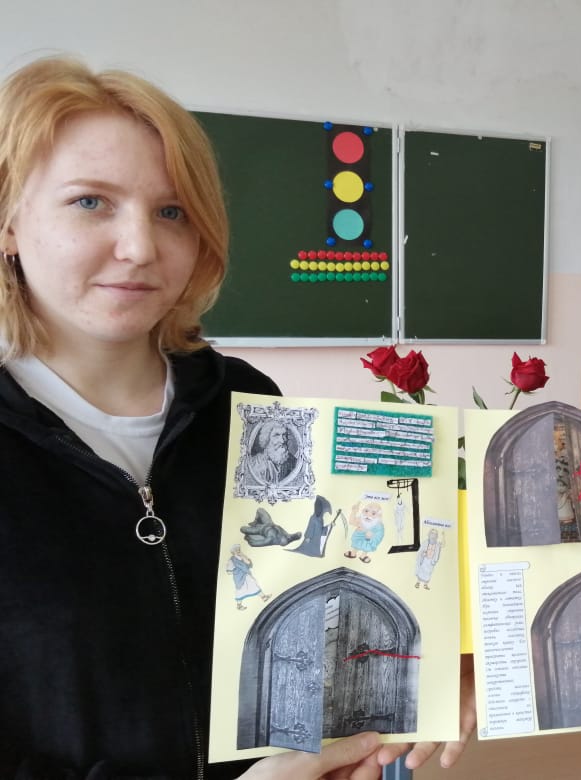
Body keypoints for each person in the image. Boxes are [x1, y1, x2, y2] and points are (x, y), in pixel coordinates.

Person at [0, 55, 474, 779]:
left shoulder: (247, 403)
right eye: (90, 201)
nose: (140, 247)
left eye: (172, 212)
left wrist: (441, 669)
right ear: (9, 220)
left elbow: (322, 604)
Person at [246, 419, 298, 484]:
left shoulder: (293, 462)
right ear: (267, 439)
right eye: (276, 435)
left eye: (284, 435)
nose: (282, 441)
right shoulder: (255, 463)